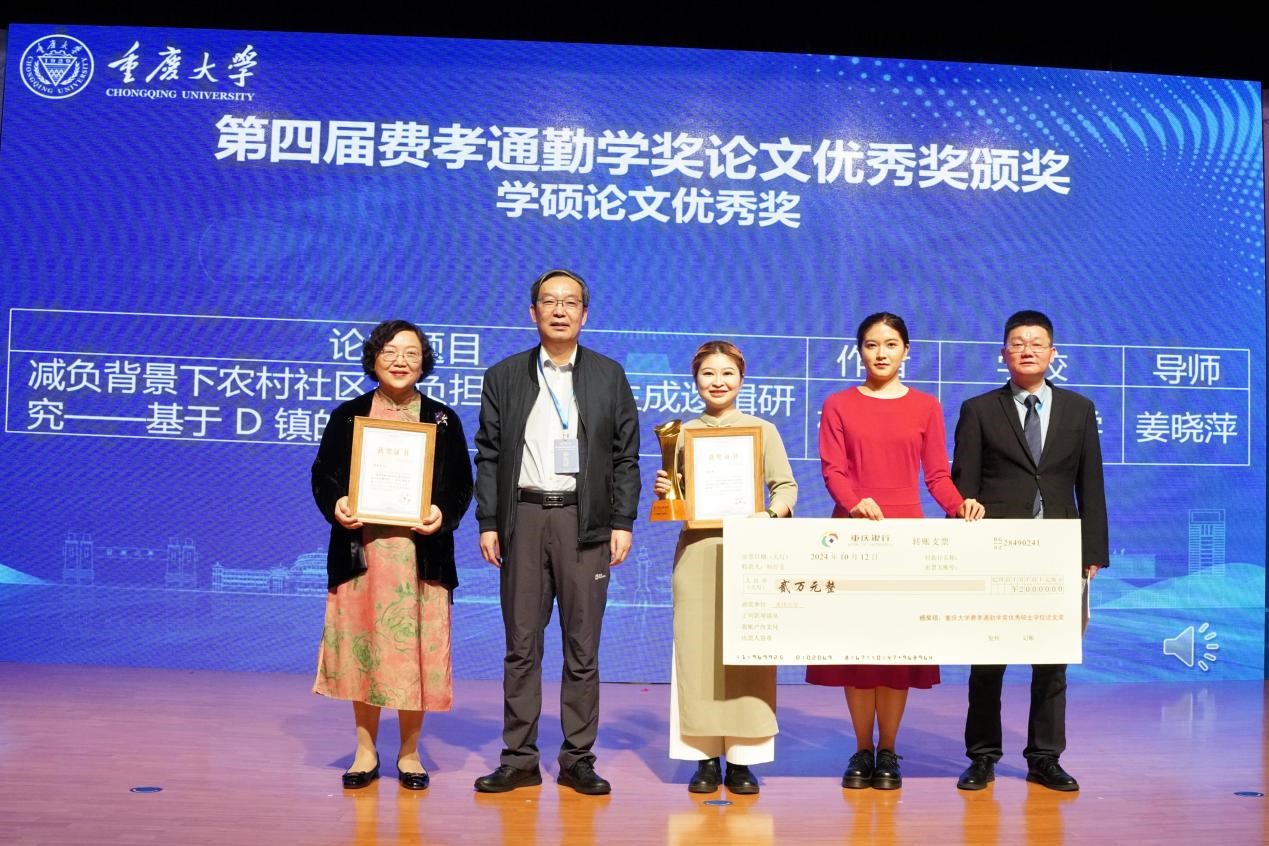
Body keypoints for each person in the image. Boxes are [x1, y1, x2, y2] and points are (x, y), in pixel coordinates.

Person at [472, 269, 641, 796]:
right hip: (523, 519)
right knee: (521, 644)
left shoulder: (608, 375)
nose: (560, 310)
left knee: (582, 646)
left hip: (583, 523)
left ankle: (577, 759)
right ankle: (519, 758)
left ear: (585, 314)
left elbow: (626, 457)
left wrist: (622, 521)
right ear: (533, 313)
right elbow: (489, 455)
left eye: (570, 302)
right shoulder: (504, 375)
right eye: (549, 301)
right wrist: (488, 521)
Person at [809, 312, 984, 790]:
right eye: (871, 344)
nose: (881, 353)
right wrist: (853, 502)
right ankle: (861, 749)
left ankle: (888, 749)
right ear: (859, 352)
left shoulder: (926, 406)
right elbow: (833, 469)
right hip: (853, 532)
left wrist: (959, 505)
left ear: (907, 351)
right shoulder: (838, 404)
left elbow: (937, 475)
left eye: (890, 344)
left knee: (894, 652)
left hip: (905, 536)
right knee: (857, 651)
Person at [311, 319, 473, 790]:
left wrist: (443, 512)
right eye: (390, 352)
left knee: (412, 653)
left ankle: (409, 752)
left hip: (421, 557)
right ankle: (365, 751)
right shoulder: (348, 416)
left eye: (411, 353)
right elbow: (323, 474)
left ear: (424, 363)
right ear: (374, 358)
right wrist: (337, 503)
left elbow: (461, 484)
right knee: (366, 650)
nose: (401, 361)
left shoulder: (442, 419)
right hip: (362, 554)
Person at [951, 310, 1107, 793]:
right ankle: (982, 756)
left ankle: (1044, 757)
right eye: (1017, 343)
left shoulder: (1079, 409)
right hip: (995, 550)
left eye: (1037, 343)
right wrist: (963, 534)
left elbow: (1091, 485)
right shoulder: (979, 409)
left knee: (1052, 660)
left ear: (1052, 353)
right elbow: (963, 483)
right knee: (987, 658)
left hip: (1059, 550)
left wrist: (1093, 551)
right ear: (1003, 353)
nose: (1027, 350)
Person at [652, 341, 798, 796]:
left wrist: (768, 515)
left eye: (727, 373)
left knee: (747, 653)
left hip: (748, 554)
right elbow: (676, 503)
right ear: (695, 380)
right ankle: (703, 759)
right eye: (708, 373)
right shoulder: (682, 434)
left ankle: (741, 759)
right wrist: (666, 491)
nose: (718, 382)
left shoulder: (762, 430)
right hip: (697, 553)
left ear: (742, 378)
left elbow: (786, 487)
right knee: (697, 655)